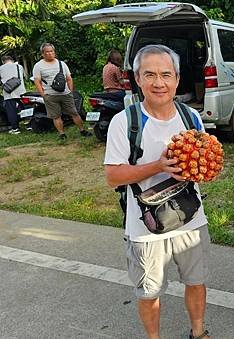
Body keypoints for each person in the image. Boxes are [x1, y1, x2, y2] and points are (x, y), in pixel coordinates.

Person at [104, 44, 211, 339]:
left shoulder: (192, 118)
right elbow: (113, 175)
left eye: (166, 74)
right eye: (149, 74)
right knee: (149, 292)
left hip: (191, 217)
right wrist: (158, 165)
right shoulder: (125, 122)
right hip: (145, 225)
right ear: (137, 78)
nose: (159, 83)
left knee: (196, 281)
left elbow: (203, 163)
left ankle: (199, 332)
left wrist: (206, 168)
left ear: (177, 79)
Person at [32, 42, 91, 139]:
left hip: (66, 93)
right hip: (50, 95)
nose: (50, 53)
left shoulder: (61, 64)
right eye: (47, 52)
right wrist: (43, 95)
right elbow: (37, 81)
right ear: (42, 54)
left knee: (74, 113)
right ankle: (61, 134)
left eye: (51, 51)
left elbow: (69, 78)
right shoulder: (38, 66)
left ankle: (82, 130)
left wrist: (70, 91)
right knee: (56, 116)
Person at [0, 55, 26, 134]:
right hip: (21, 91)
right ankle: (29, 124)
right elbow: (24, 76)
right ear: (12, 60)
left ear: (3, 61)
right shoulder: (20, 66)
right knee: (24, 108)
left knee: (11, 110)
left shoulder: (1, 68)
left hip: (9, 92)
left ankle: (15, 128)